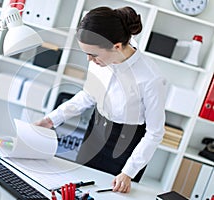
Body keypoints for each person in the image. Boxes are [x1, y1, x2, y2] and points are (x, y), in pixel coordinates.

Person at [35, 6, 167, 193]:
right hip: (95, 131)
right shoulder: (99, 61)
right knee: (77, 190)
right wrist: (51, 120)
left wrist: (128, 172)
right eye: (86, 54)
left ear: (117, 46)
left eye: (93, 54)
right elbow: (89, 95)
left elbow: (155, 133)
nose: (89, 60)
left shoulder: (150, 78)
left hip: (126, 147)